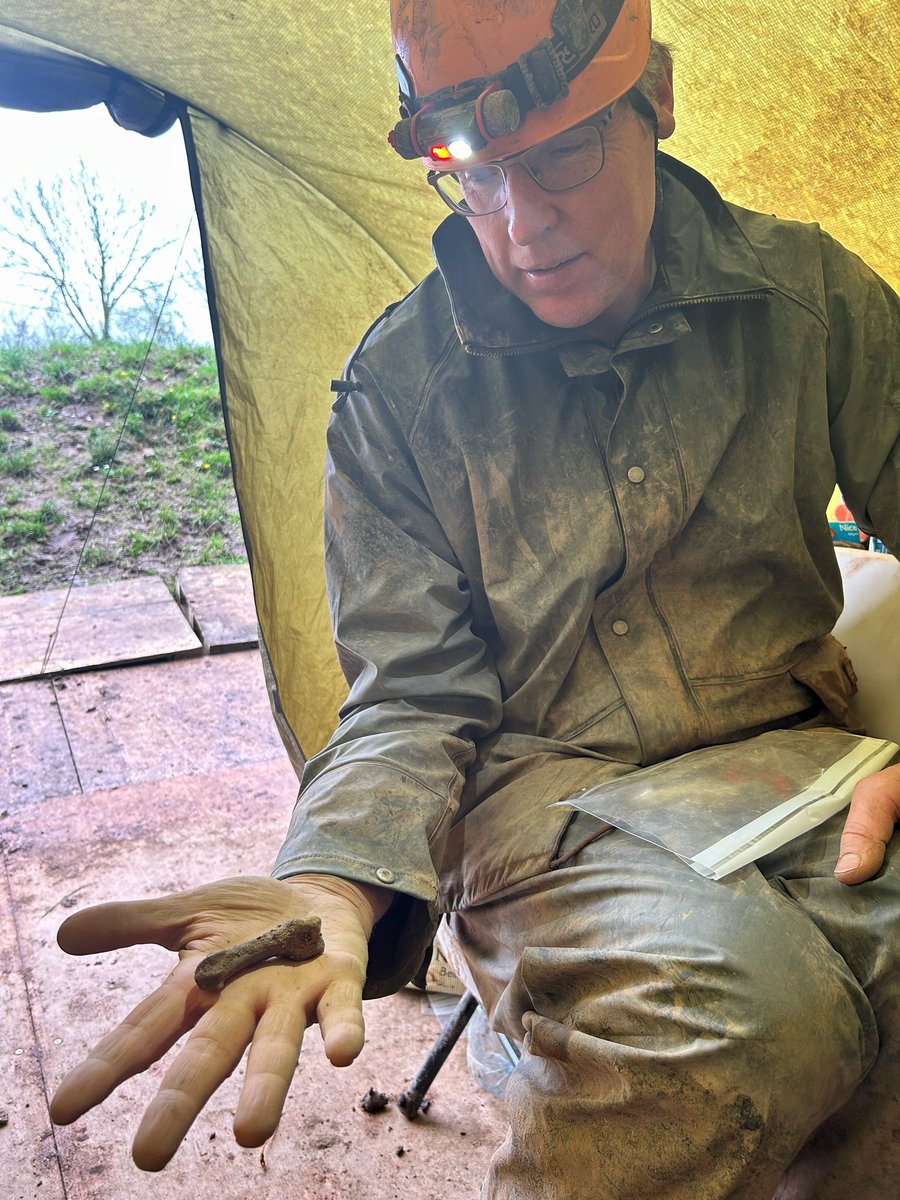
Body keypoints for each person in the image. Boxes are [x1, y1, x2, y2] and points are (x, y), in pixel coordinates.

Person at [49, 1, 900, 1195]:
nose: (524, 222)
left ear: (652, 99)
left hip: (791, 764)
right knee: (736, 1016)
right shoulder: (400, 393)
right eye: (478, 177)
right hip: (545, 803)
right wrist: (331, 877)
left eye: (559, 156)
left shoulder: (811, 299)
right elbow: (411, 694)